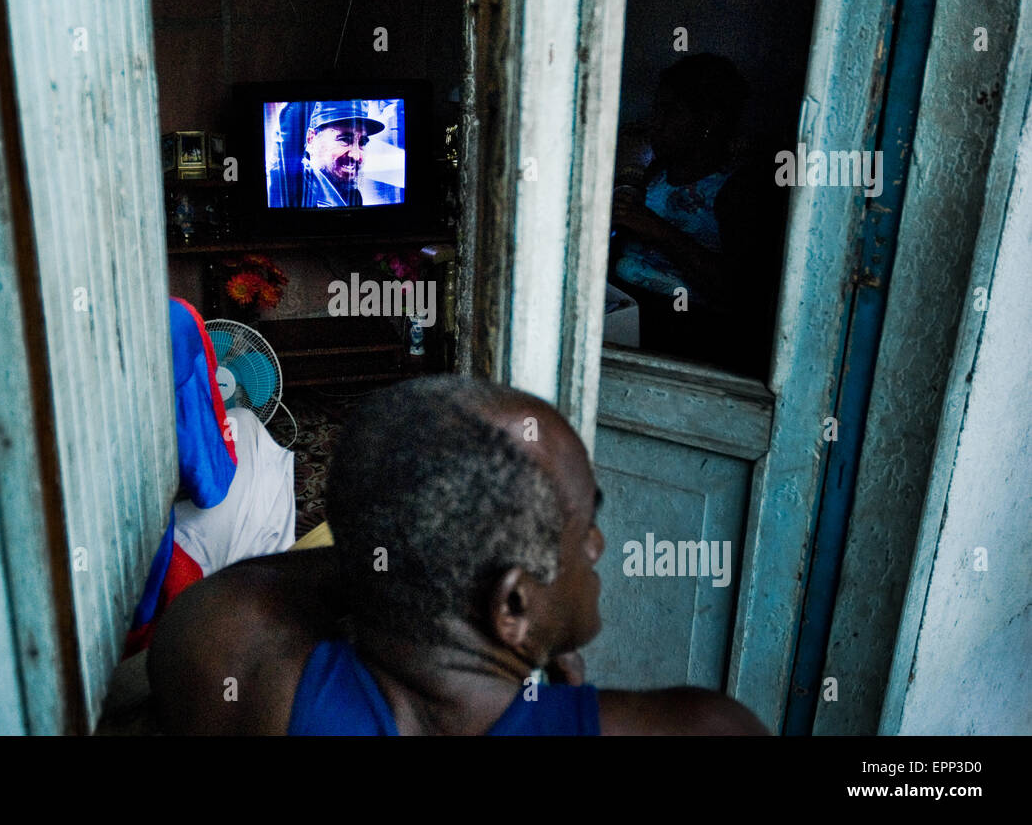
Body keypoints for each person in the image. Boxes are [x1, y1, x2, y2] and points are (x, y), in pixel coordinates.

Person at [147, 375, 768, 735]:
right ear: (513, 607)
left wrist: (416, 559)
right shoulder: (706, 728)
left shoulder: (215, 646)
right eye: (584, 529)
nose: (598, 545)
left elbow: (271, 584)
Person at [609, 54, 786, 375]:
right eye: (656, 108)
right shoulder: (656, 170)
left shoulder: (736, 190)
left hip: (680, 326)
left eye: (670, 111)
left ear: (708, 124)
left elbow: (740, 293)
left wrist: (659, 231)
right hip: (622, 305)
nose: (655, 122)